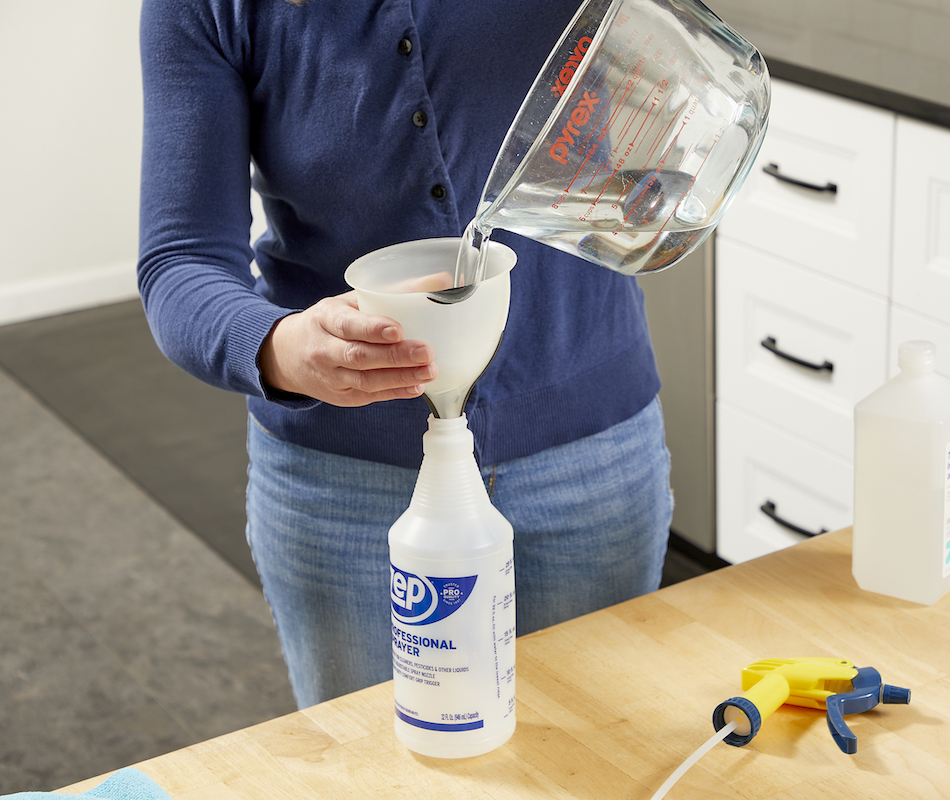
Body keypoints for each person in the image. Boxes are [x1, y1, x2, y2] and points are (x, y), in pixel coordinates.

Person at [138, 0, 673, 709]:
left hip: (591, 460)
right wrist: (282, 347)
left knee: (598, 760)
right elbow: (181, 260)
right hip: (342, 487)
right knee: (374, 775)